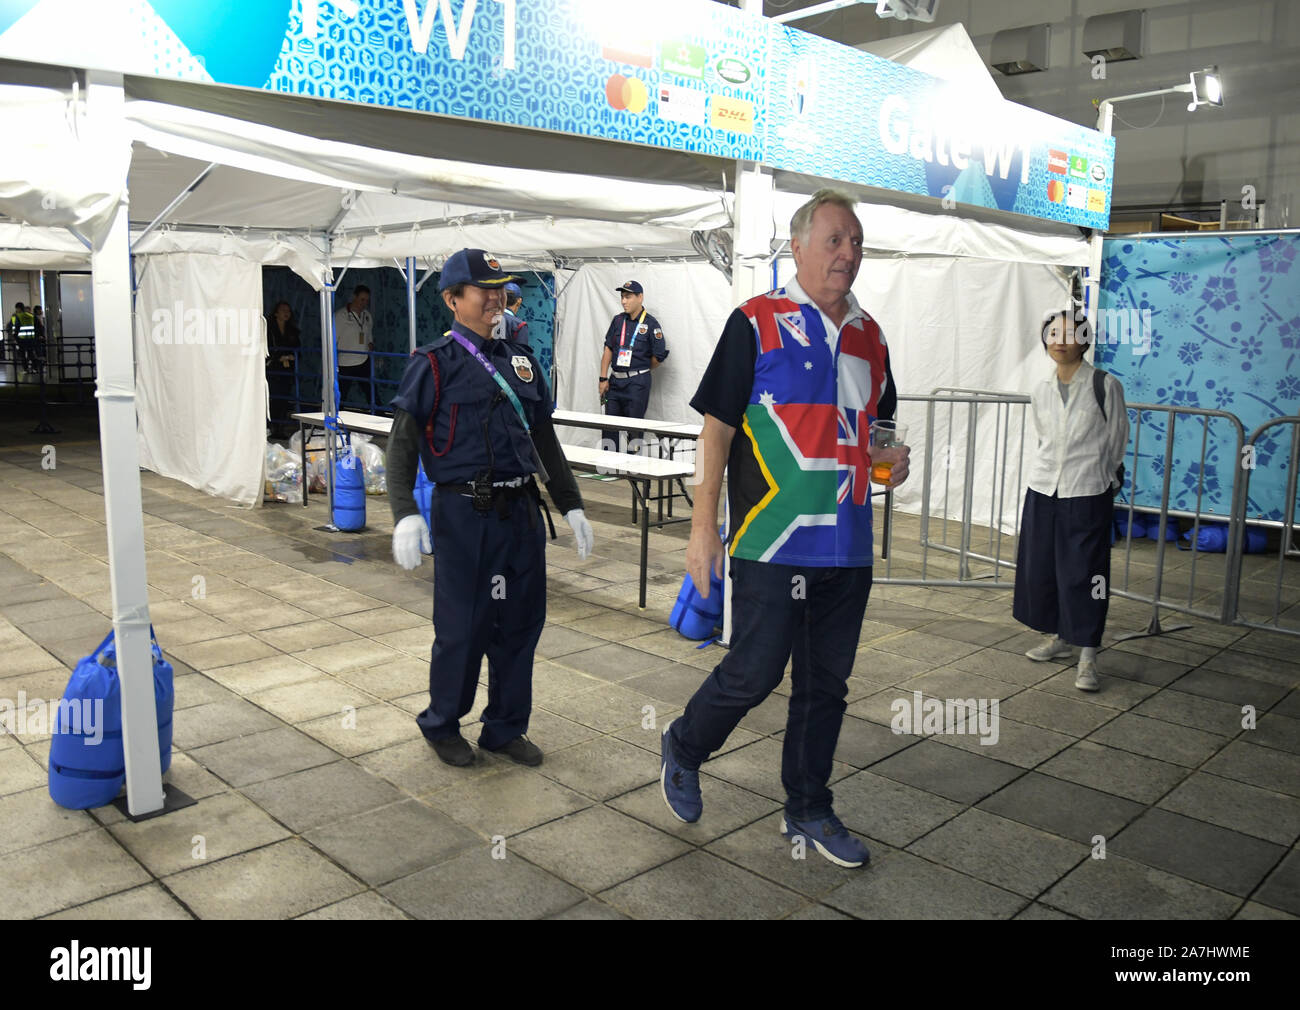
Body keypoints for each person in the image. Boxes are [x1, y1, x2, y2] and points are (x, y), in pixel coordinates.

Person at [661, 189, 905, 869]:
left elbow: (878, 433)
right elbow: (717, 427)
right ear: (796, 248)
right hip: (772, 541)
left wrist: (891, 462)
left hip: (848, 546)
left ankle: (808, 807)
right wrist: (703, 525)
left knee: (826, 687)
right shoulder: (756, 322)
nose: (848, 254)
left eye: (855, 242)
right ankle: (684, 746)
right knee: (754, 671)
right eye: (834, 240)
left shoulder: (871, 336)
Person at [387, 248, 594, 768]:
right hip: (465, 513)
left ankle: (504, 727)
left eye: (500, 288)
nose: (495, 298)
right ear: (453, 299)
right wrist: (404, 513)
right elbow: (402, 444)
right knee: (464, 625)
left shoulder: (520, 360)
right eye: (484, 289)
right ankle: (442, 723)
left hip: (520, 510)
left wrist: (570, 504)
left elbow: (544, 438)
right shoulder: (432, 363)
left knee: (521, 623)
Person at [1014, 309, 1129, 692]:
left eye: (1070, 332)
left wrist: (1104, 476)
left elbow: (1116, 440)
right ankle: (1061, 637)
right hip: (1044, 488)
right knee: (1044, 568)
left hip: (1087, 490)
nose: (1061, 339)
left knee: (1086, 573)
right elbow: (1043, 436)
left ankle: (1088, 654)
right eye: (1053, 333)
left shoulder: (1104, 384)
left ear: (1085, 339)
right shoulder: (1041, 388)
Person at [598, 280, 667, 454]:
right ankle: (609, 465)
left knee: (634, 427)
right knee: (609, 425)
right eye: (622, 297)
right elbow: (608, 348)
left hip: (637, 383)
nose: (623, 301)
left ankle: (632, 467)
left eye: (628, 297)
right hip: (614, 382)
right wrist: (603, 377)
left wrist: (640, 370)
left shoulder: (651, 325)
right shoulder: (618, 320)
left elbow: (658, 357)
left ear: (640, 297)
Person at [333, 284, 372, 409]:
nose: (364, 303)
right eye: (362, 299)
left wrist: (371, 346)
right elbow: (332, 340)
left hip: (363, 359)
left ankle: (380, 417)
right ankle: (336, 419)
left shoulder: (367, 316)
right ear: (354, 297)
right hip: (345, 362)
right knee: (341, 394)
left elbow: (369, 336)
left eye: (366, 300)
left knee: (371, 392)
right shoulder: (340, 316)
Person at [266, 301, 301, 437]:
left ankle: (279, 427)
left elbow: (298, 348)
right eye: (283, 310)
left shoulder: (292, 331)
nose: (286, 313)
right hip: (272, 368)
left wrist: (293, 356)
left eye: (288, 310)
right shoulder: (268, 329)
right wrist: (277, 357)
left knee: (283, 398)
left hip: (287, 370)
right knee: (273, 397)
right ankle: (272, 426)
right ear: (276, 313)